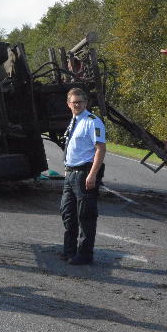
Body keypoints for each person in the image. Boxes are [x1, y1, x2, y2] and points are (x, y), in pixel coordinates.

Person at [60, 87, 106, 265]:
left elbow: (100, 149)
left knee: (85, 216)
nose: (77, 104)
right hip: (70, 173)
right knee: (67, 213)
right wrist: (66, 168)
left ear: (86, 103)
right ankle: (69, 250)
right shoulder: (74, 121)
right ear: (68, 104)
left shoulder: (92, 121)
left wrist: (93, 175)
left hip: (85, 173)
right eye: (74, 102)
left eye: (80, 102)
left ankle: (85, 255)